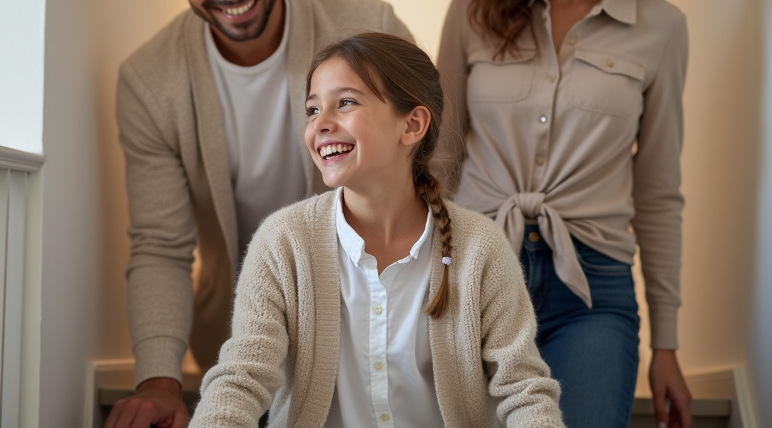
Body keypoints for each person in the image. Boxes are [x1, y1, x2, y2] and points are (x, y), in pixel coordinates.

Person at [107, 0, 412, 427]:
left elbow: (427, 182)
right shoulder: (149, 81)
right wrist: (159, 379)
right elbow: (161, 246)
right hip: (239, 346)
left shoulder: (371, 27)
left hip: (377, 331)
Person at [188, 33, 564, 427]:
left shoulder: (480, 247)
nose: (321, 125)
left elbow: (523, 390)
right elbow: (241, 378)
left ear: (412, 124)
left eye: (345, 103)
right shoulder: (282, 242)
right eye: (312, 110)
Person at [435, 0, 693, 427]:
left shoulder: (661, 29)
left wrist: (668, 345)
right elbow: (437, 157)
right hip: (476, 272)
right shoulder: (472, 11)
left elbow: (657, 192)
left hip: (592, 294)